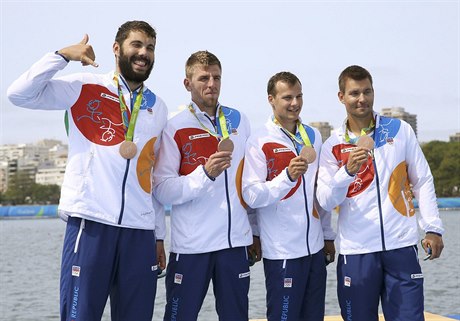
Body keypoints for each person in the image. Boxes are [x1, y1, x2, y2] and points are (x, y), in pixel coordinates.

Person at [7, 21, 168, 321]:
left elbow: (151, 175)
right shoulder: (83, 87)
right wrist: (62, 56)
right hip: (92, 224)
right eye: (137, 45)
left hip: (139, 232)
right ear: (117, 48)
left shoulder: (157, 107)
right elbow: (19, 94)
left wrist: (158, 234)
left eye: (150, 48)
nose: (143, 53)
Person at [316, 65, 445, 321]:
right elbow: (325, 200)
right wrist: (347, 171)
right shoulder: (332, 145)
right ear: (341, 97)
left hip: (401, 246)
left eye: (367, 91)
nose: (361, 99)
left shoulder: (400, 131)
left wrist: (433, 228)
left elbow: (422, 180)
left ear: (374, 92)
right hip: (357, 252)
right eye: (354, 93)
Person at [153, 50, 256, 321]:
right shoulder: (174, 126)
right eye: (203, 78)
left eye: (216, 77)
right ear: (187, 84)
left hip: (235, 244)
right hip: (192, 246)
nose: (211, 84)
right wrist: (205, 174)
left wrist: (254, 232)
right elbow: (162, 188)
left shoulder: (239, 120)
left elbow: (250, 181)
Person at [241, 71, 336, 321]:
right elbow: (251, 195)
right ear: (271, 99)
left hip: (314, 250)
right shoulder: (258, 140)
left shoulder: (313, 135)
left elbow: (318, 192)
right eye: (287, 97)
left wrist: (327, 235)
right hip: (282, 252)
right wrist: (287, 177)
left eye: (299, 96)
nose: (295, 103)